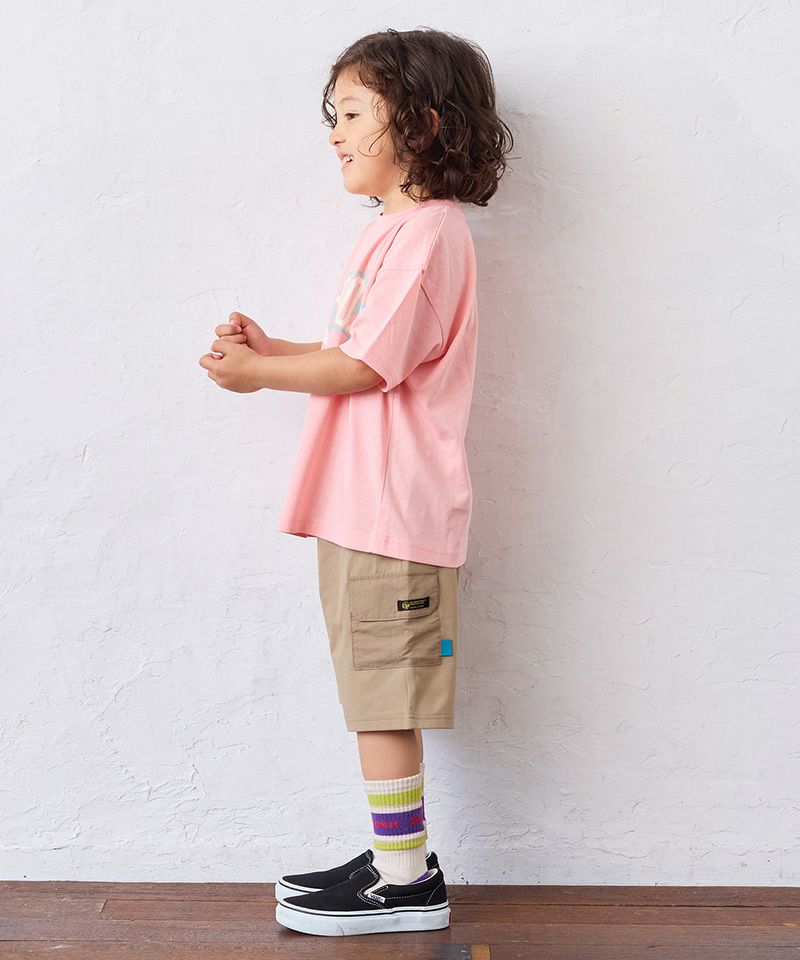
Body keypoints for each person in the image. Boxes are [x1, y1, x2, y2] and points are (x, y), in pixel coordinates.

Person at [199, 26, 514, 937]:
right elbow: (358, 351)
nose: (333, 133)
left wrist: (260, 375)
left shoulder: (428, 234)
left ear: (420, 123)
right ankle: (394, 858)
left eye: (350, 114)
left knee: (384, 695)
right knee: (374, 690)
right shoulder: (398, 234)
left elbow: (368, 368)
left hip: (392, 511)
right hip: (367, 507)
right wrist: (278, 350)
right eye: (331, 116)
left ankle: (406, 883)